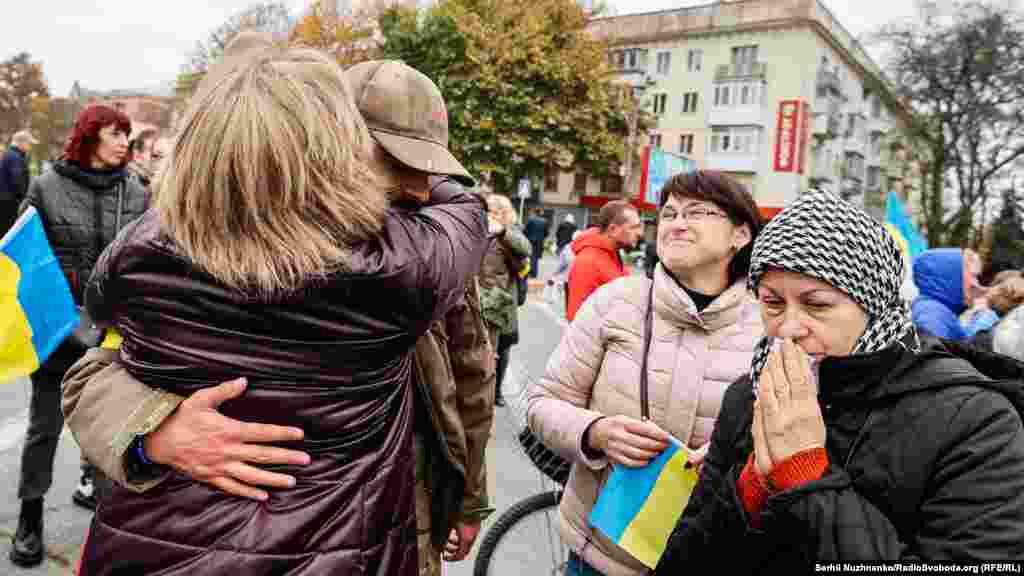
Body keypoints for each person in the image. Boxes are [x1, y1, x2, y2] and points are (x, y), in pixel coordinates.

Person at [63, 50, 497, 576]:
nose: (418, 186)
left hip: (172, 548)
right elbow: (90, 375)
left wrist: (468, 499)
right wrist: (153, 431)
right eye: (396, 162)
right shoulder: (407, 264)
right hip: (341, 546)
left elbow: (469, 376)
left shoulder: (140, 253)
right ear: (332, 153)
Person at [657, 190, 1024, 570]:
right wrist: (748, 491)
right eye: (772, 303)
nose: (789, 328)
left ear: (874, 304)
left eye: (816, 304)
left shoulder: (977, 423)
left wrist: (806, 479)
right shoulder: (748, 394)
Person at [527, 171, 765, 576]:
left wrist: (737, 457)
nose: (676, 223)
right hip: (601, 555)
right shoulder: (616, 302)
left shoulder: (767, 326)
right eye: (669, 213)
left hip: (710, 554)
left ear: (740, 235)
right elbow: (543, 403)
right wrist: (597, 432)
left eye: (697, 212)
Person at [9, 105, 150, 568]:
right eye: (115, 133)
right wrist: (61, 321)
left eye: (127, 135)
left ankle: (103, 512)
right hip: (56, 335)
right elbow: (27, 261)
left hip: (112, 338)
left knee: (108, 434)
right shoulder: (47, 187)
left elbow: (148, 258)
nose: (123, 143)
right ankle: (30, 518)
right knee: (44, 429)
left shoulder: (136, 190)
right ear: (90, 136)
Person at [479, 193, 531, 407]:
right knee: (483, 347)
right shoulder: (479, 230)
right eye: (490, 211)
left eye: (496, 212)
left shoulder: (510, 234)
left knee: (502, 347)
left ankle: (496, 390)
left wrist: (502, 231)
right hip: (480, 296)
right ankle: (484, 391)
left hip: (501, 300)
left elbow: (526, 249)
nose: (492, 216)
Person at [565, 200, 643, 322]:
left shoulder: (614, 254)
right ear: (612, 229)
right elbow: (578, 321)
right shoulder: (588, 262)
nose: (639, 233)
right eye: (634, 227)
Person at [911, 247, 988, 340]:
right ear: (952, 276)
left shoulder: (936, 311)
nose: (976, 284)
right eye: (973, 276)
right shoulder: (932, 316)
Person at [0, 130, 37, 233]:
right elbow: (18, 181)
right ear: (22, 143)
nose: (30, 147)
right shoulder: (16, 158)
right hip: (10, 204)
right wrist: (24, 199)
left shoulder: (9, 155)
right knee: (9, 232)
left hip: (5, 202)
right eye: (29, 144)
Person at [524, 206, 550, 278]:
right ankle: (534, 273)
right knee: (535, 258)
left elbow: (525, 231)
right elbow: (547, 233)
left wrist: (527, 237)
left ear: (535, 212)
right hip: (539, 242)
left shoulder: (530, 220)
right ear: (540, 213)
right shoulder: (545, 221)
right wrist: (542, 237)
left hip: (530, 240)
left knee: (528, 257)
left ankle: (528, 272)